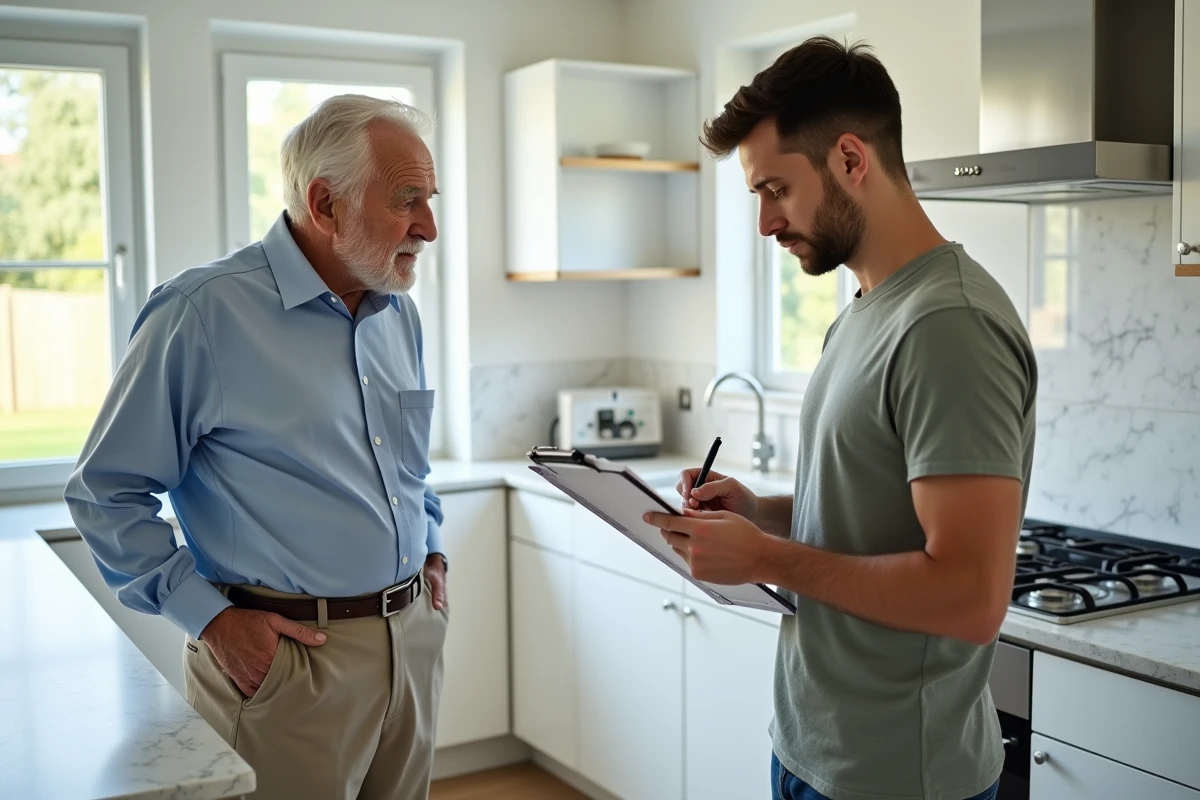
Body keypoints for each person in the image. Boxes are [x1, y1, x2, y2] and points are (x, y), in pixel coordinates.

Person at [645, 36, 1036, 800]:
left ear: (852, 160)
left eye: (776, 190)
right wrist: (761, 513)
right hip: (813, 750)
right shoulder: (864, 310)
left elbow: (970, 595)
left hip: (895, 777)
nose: (764, 223)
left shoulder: (947, 324)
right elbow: (868, 510)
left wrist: (763, 558)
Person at [65, 94, 449, 800]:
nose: (429, 225)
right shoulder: (201, 313)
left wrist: (432, 552)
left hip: (411, 643)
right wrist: (209, 618)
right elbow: (105, 492)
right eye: (407, 200)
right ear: (325, 203)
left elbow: (406, 470)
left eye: (430, 198)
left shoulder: (403, 317)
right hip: (289, 666)